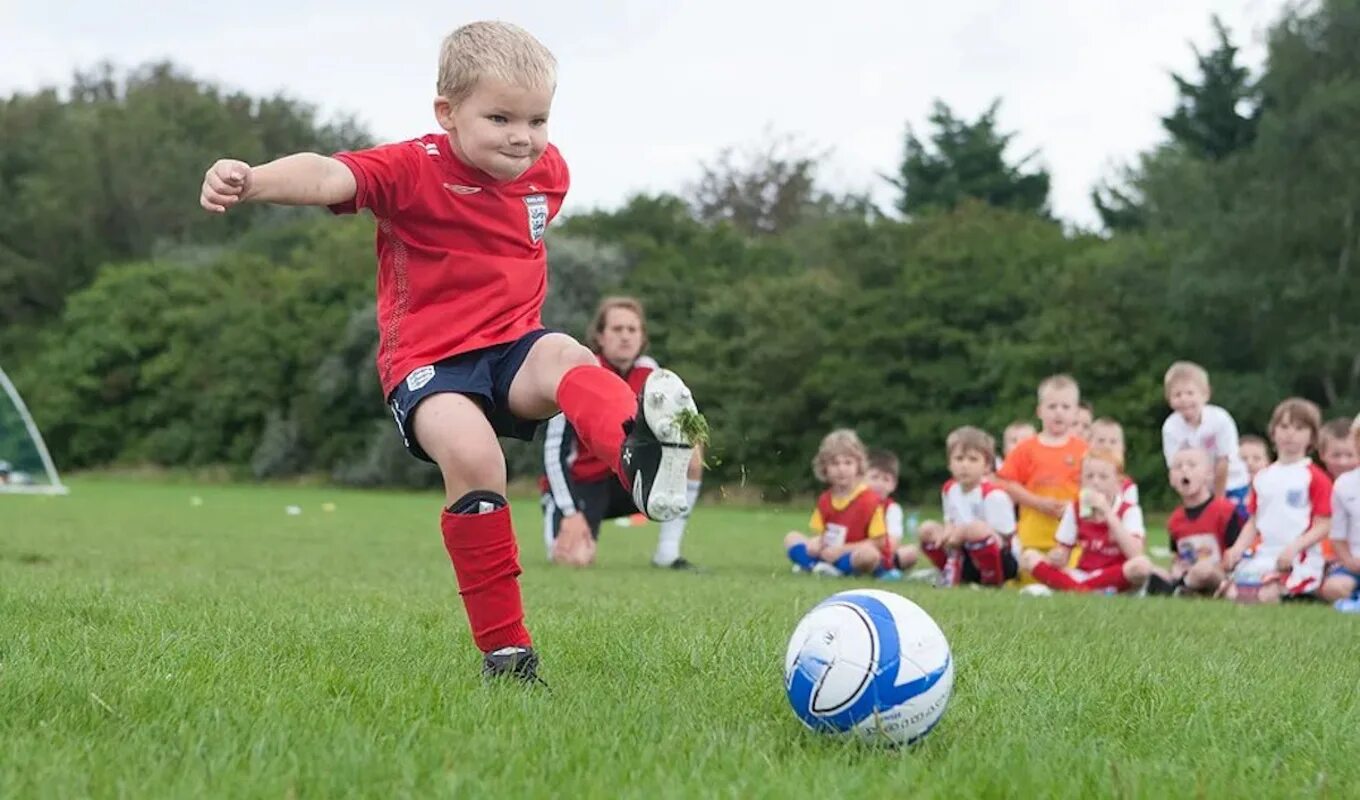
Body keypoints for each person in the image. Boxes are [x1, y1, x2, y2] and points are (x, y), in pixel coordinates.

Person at [198, 21, 705, 684]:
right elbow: (328, 174)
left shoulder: (548, 174)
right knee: (474, 457)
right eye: (500, 118)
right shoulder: (412, 168)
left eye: (538, 118)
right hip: (429, 363)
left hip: (513, 345)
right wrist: (250, 179)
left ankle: (636, 457)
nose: (522, 136)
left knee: (568, 357)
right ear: (448, 113)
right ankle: (507, 653)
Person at [541, 297, 703, 569]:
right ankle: (564, 520)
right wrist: (569, 513)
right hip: (581, 484)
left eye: (632, 329)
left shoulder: (653, 375)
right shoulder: (580, 372)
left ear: (642, 337)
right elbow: (553, 452)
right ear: (600, 336)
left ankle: (668, 554)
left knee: (692, 452)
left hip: (627, 477)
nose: (625, 337)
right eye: (617, 329)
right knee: (574, 561)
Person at [1222, 398, 1332, 603]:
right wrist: (1237, 549)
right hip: (1266, 554)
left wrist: (1294, 548)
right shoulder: (1263, 477)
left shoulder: (1315, 477)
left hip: (1300, 557)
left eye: (1299, 428)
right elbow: (1254, 521)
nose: (1290, 433)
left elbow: (1324, 524)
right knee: (1233, 594)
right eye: (1284, 426)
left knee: (1266, 596)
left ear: (1312, 437)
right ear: (1273, 432)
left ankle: (1303, 591)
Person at [1020, 449, 1153, 594]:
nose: (1095, 482)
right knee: (1029, 557)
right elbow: (1063, 553)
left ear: (1118, 483)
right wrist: (1056, 556)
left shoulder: (1128, 510)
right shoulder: (1075, 508)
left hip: (1115, 574)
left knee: (1142, 566)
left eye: (1103, 477)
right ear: (1081, 481)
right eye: (1089, 476)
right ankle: (1088, 590)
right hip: (1084, 573)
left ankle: (1076, 589)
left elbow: (1135, 553)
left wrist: (1108, 513)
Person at [996, 375, 1088, 561]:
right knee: (1031, 573)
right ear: (1040, 411)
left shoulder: (1084, 451)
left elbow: (1093, 487)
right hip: (1032, 535)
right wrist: (1037, 502)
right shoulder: (1025, 448)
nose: (1058, 412)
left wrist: (1073, 507)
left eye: (1065, 407)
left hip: (1072, 539)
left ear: (1076, 413)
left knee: (1071, 575)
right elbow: (1007, 483)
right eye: (1052, 407)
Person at [915, 426, 1018, 587]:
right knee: (927, 529)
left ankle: (992, 582)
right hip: (963, 552)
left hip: (1000, 560)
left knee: (976, 529)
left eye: (973, 459)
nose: (965, 465)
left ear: (987, 466)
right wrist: (949, 533)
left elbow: (1005, 538)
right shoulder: (949, 489)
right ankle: (949, 572)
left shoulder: (993, 495)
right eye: (959, 458)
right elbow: (950, 519)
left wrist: (964, 533)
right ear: (949, 463)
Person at [784, 430, 892, 578]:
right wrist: (816, 543)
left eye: (848, 463)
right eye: (835, 463)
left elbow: (878, 543)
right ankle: (816, 567)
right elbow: (819, 533)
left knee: (869, 556)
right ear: (825, 468)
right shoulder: (825, 499)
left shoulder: (870, 500)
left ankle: (825, 569)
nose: (841, 469)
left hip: (852, 555)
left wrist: (842, 550)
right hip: (828, 553)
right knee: (792, 537)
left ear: (858, 465)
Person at [1161, 361, 1249, 517]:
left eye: (1190, 393)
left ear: (1205, 394)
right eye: (1177, 394)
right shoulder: (1170, 427)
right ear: (1169, 399)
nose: (1184, 399)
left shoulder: (1220, 420)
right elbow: (1177, 468)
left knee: (1235, 527)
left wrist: (1218, 502)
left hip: (1232, 482)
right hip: (1199, 490)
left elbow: (1223, 462)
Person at [1161, 448, 1242, 596]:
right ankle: (1184, 587)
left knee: (1203, 569)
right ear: (1171, 479)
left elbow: (1237, 552)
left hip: (1221, 574)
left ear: (1209, 474)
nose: (1184, 470)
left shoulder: (1224, 510)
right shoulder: (1175, 520)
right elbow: (1178, 555)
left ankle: (1180, 589)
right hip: (1191, 574)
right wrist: (1176, 567)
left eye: (1192, 465)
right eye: (1178, 467)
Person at [1320, 418, 1360, 606]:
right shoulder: (1344, 484)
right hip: (1354, 563)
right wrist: (1350, 562)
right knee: (1332, 588)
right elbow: (1338, 535)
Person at [866, 448, 913, 569]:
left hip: (882, 552)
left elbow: (893, 542)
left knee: (910, 553)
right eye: (874, 477)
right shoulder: (856, 503)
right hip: (856, 550)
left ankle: (883, 566)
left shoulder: (892, 508)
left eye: (886, 479)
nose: (879, 484)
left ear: (893, 485)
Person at [1089, 417, 1139, 507]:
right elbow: (1083, 514)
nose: (1107, 446)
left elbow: (1130, 514)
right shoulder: (1084, 481)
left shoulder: (1127, 486)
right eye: (1101, 441)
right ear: (1088, 444)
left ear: (1123, 448)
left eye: (1113, 442)